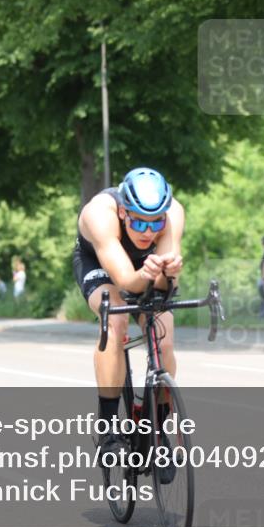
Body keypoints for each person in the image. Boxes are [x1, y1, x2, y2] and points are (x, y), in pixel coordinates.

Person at [73, 167, 183, 459]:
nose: (148, 232)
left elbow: (166, 286)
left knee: (164, 335)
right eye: (139, 222)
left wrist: (167, 274)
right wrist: (149, 274)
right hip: (100, 263)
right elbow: (125, 282)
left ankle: (157, 431)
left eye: (156, 223)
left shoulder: (172, 214)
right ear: (123, 212)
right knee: (117, 317)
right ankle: (108, 427)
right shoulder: (98, 215)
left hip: (144, 267)